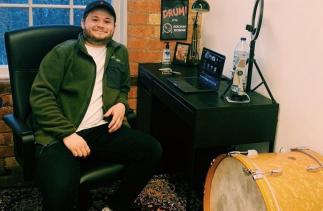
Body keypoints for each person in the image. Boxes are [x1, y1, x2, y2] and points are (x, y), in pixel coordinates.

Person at [29, 1, 162, 210]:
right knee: (60, 192)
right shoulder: (63, 52)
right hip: (62, 133)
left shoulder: (120, 52)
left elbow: (123, 88)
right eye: (95, 19)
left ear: (114, 27)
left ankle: (115, 206)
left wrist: (120, 104)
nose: (101, 24)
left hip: (102, 129)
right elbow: (40, 96)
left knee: (152, 150)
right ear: (83, 23)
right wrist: (67, 133)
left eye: (107, 21)